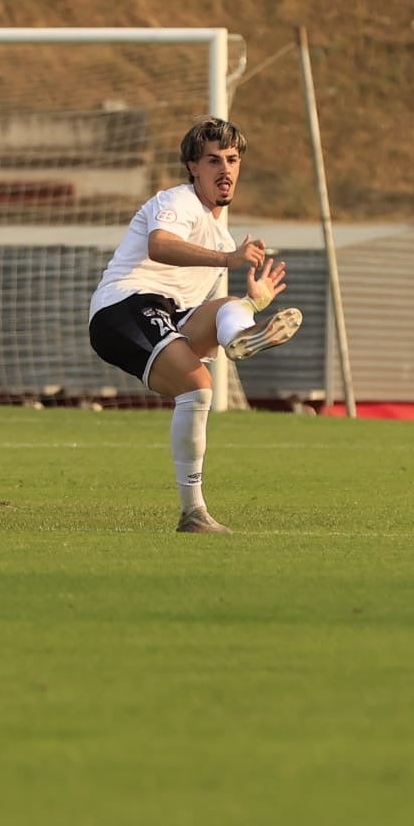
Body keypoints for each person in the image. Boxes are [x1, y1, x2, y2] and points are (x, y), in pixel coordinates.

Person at [87, 117, 304, 533]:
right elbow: (159, 245)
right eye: (213, 160)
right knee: (198, 385)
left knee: (228, 307)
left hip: (170, 314)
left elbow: (195, 315)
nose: (225, 169)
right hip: (123, 306)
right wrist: (229, 260)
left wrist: (254, 301)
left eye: (233, 160)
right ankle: (194, 514)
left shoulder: (222, 236)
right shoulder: (180, 201)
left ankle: (241, 336)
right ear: (193, 167)